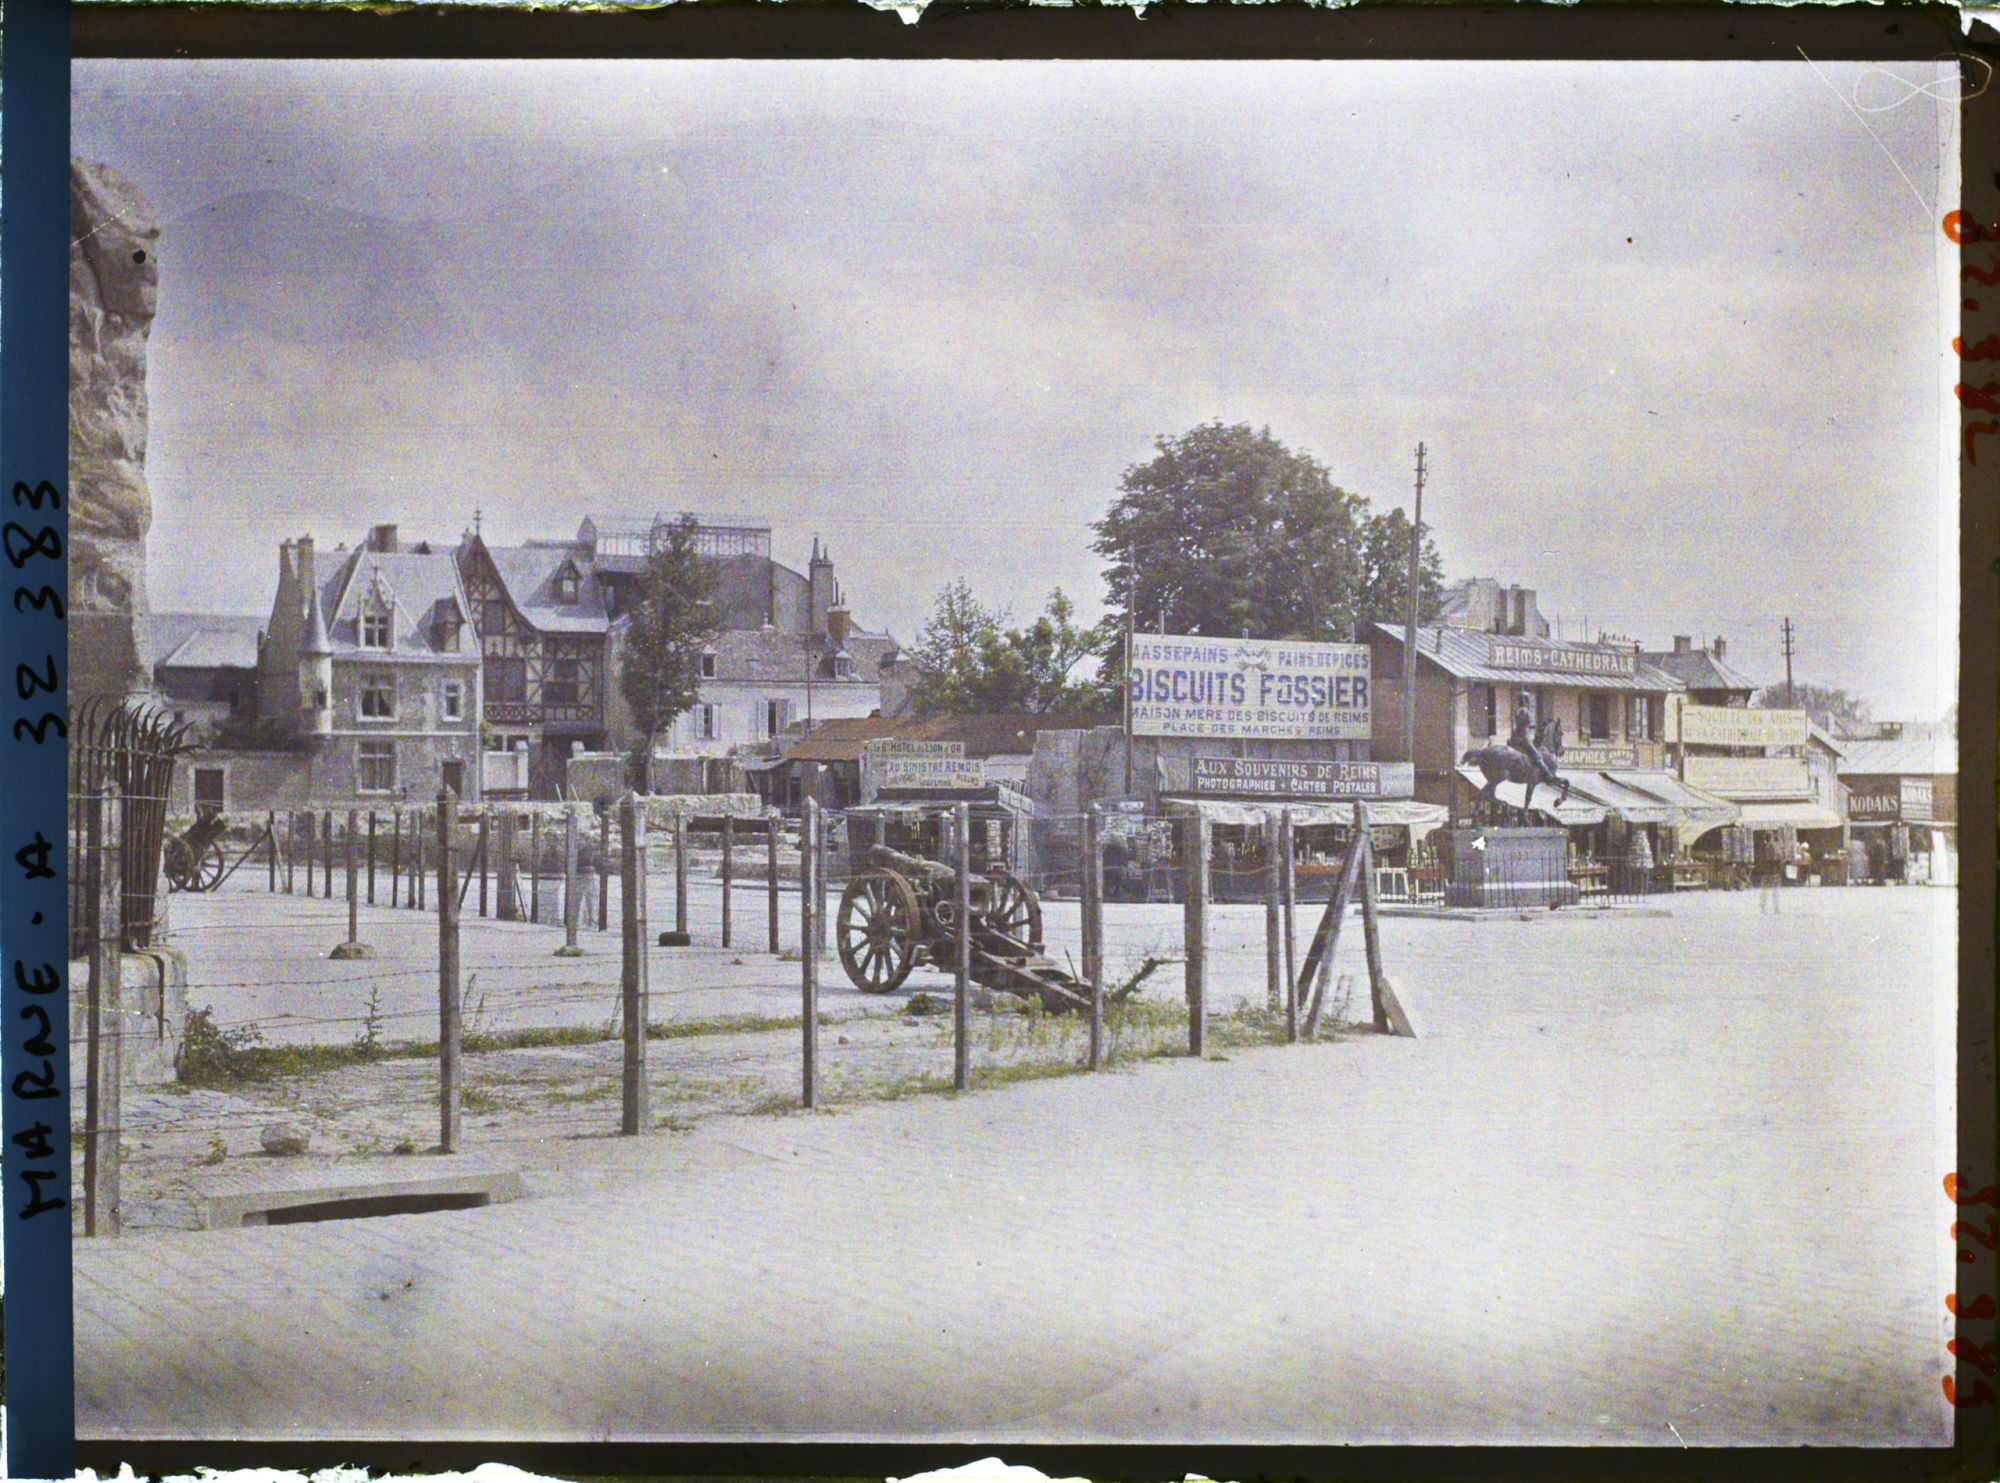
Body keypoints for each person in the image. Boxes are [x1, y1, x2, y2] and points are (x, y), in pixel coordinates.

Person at [1508, 701, 1556, 784]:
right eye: (1526, 700)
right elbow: (1528, 724)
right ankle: (1546, 773)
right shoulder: (1525, 711)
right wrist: (1542, 724)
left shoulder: (1517, 710)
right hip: (1523, 737)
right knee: (1537, 754)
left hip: (1515, 736)